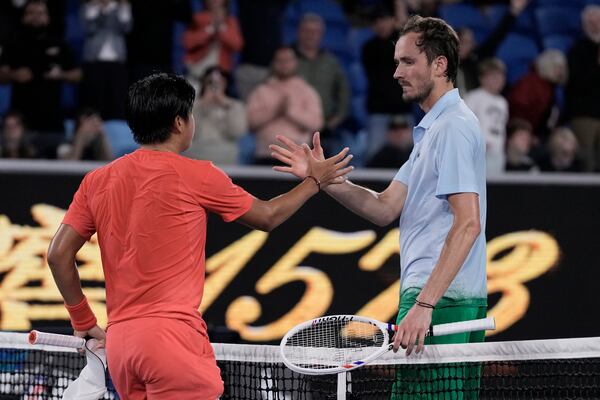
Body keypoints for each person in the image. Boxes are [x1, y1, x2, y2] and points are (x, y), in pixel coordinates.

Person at [46, 73, 352, 400]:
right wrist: (314, 181)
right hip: (171, 341)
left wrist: (82, 317)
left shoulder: (97, 181)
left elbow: (57, 255)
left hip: (121, 346)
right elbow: (268, 216)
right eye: (191, 115)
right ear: (179, 123)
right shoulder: (199, 175)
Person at [271, 16, 487, 396]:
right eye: (396, 62)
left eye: (407, 62)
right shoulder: (434, 132)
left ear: (440, 65)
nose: (396, 73)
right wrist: (324, 179)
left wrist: (424, 304)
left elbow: (468, 223)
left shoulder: (452, 127)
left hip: (441, 301)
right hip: (444, 299)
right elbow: (385, 207)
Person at [0, 0, 82, 158]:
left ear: (48, 17)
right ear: (23, 17)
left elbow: (78, 75)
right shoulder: (13, 44)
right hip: (22, 117)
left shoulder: (59, 44)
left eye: (41, 13)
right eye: (31, 13)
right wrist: (14, 75)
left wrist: (61, 75)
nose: (36, 17)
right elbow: (1, 75)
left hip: (51, 118)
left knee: (56, 159)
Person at [246, 46, 322, 165]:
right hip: (266, 155)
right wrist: (275, 111)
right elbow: (250, 122)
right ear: (274, 63)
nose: (284, 64)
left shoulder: (307, 91)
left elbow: (316, 123)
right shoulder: (261, 91)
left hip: (298, 157)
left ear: (295, 62)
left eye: (287, 60)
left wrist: (290, 111)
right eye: (280, 61)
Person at [362, 5, 412, 162]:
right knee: (373, 156)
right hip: (379, 111)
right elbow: (384, 64)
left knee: (412, 159)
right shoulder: (368, 48)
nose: (381, 24)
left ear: (393, 20)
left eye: (384, 20)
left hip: (404, 109)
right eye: (376, 21)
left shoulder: (405, 44)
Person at [294, 13, 350, 154]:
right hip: (293, 129)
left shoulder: (331, 62)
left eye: (315, 32)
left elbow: (344, 92)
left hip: (326, 131)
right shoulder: (287, 59)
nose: (311, 35)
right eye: (307, 31)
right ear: (299, 32)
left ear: (321, 34)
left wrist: (337, 118)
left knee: (325, 174)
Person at [183, 66, 247, 165]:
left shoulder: (235, 105)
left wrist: (226, 106)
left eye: (219, 82)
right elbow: (188, 133)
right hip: (196, 156)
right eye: (210, 82)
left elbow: (237, 132)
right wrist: (203, 104)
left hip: (225, 158)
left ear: (226, 83)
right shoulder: (191, 105)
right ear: (203, 83)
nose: (215, 86)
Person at [80, 0, 132, 120]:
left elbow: (126, 28)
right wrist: (101, 11)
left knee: (117, 99)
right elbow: (89, 29)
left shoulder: (121, 7)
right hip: (94, 61)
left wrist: (122, 9)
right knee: (95, 99)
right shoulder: (88, 7)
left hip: (117, 61)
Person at [566, 5, 600, 172]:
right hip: (584, 114)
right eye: (590, 22)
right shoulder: (577, 50)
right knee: (587, 159)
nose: (595, 25)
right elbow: (576, 84)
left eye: (597, 21)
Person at [508, 49, 568, 141]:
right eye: (556, 67)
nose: (560, 71)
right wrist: (528, 134)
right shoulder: (530, 82)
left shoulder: (553, 89)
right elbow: (519, 108)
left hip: (542, 135)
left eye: (562, 68)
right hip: (524, 134)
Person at [182, 0, 243, 88]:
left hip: (219, 74)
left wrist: (221, 28)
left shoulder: (230, 21)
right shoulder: (198, 18)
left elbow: (237, 45)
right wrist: (209, 30)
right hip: (197, 72)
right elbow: (188, 42)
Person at [464, 58, 509, 176]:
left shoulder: (503, 102)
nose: (498, 80)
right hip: (477, 153)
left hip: (497, 153)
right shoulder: (473, 97)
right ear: (482, 78)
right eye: (493, 77)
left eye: (500, 77)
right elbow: (464, 124)